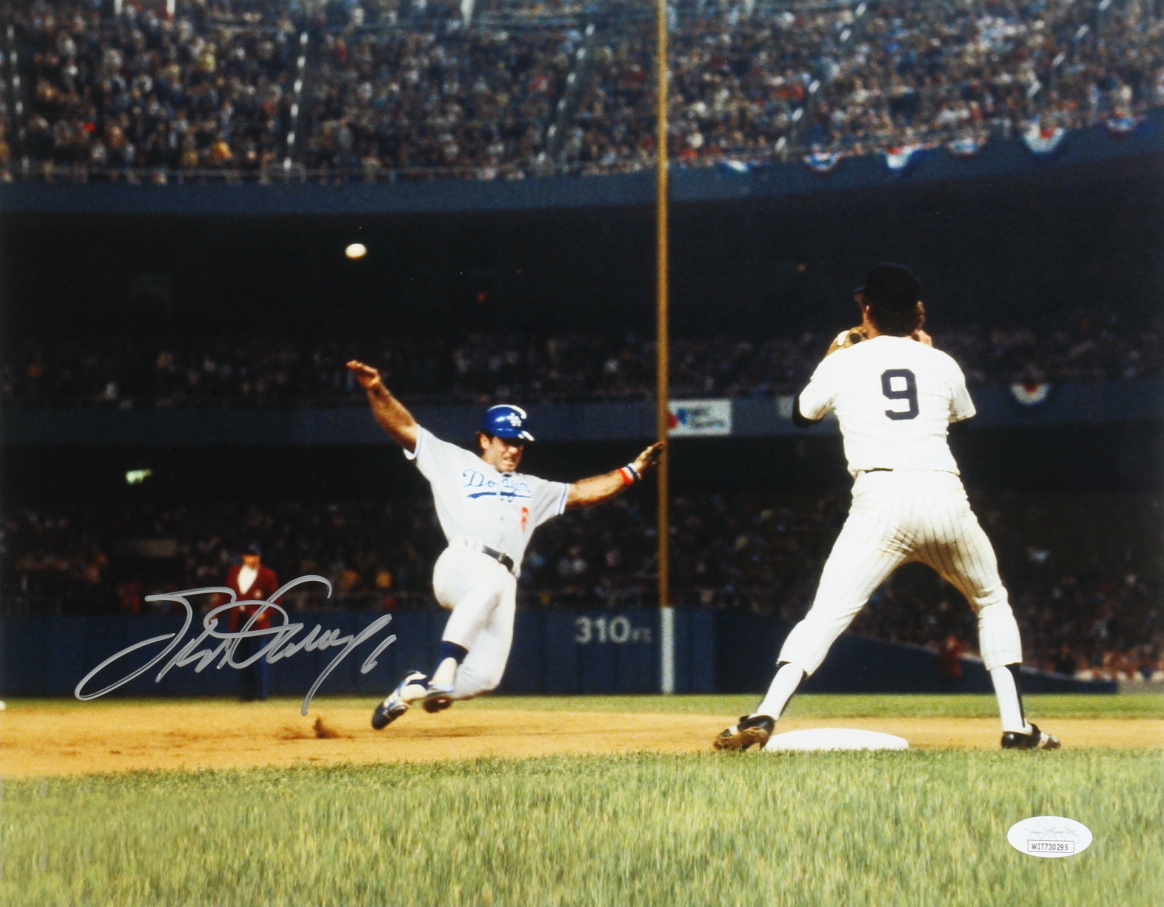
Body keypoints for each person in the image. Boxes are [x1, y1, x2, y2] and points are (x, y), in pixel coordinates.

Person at [715, 264, 1060, 752]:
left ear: (867, 309)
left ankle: (765, 714)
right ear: (919, 311)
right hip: (943, 495)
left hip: (879, 501)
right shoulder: (942, 362)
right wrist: (926, 353)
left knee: (826, 615)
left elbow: (801, 415)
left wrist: (833, 353)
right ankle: (1016, 727)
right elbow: (962, 424)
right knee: (990, 601)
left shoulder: (843, 360)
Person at [346, 359, 664, 729]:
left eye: (519, 443)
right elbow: (403, 428)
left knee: (485, 677)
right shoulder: (454, 462)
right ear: (484, 440)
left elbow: (582, 492)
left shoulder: (532, 487)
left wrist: (632, 472)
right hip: (461, 565)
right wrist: (377, 390)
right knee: (492, 581)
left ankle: (416, 687)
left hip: (502, 582)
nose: (513, 450)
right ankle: (445, 668)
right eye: (506, 441)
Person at [225, 543, 280, 701]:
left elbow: (276, 598)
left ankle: (260, 693)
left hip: (256, 623)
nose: (253, 559)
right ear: (244, 557)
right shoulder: (235, 572)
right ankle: (246, 694)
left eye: (256, 556)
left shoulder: (267, 574)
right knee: (242, 659)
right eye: (250, 556)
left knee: (257, 660)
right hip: (239, 621)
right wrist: (214, 614)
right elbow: (227, 595)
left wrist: (265, 614)